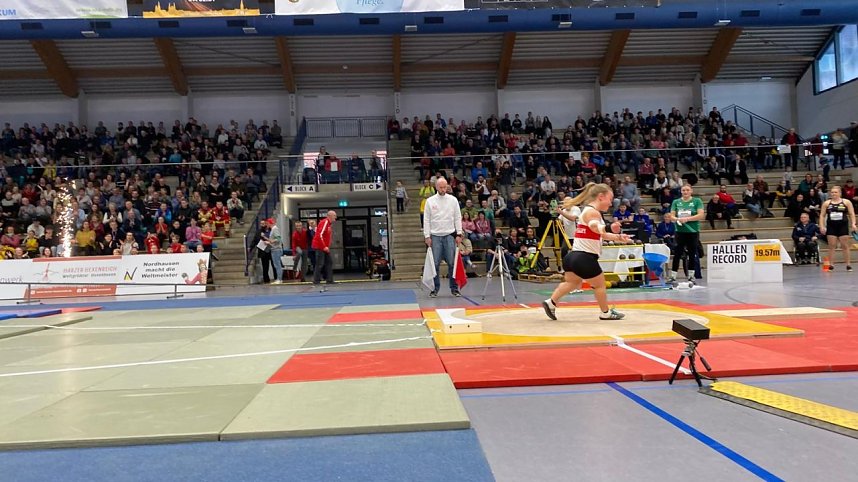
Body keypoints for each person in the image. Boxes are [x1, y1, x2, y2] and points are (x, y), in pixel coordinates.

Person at [542, 183, 631, 321]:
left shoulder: (588, 211)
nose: (611, 202)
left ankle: (551, 302)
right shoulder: (592, 212)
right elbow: (595, 227)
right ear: (601, 197)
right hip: (584, 257)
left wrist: (619, 237)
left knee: (571, 283)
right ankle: (605, 313)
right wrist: (608, 227)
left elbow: (600, 233)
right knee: (600, 285)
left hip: (572, 257)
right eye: (610, 198)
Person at [423, 177, 464, 297]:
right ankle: (434, 289)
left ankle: (454, 288)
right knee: (434, 263)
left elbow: (457, 217)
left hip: (449, 235)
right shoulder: (430, 201)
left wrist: (459, 233)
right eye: (441, 187)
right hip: (435, 236)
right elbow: (426, 220)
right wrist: (427, 236)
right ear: (436, 187)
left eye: (445, 187)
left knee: (452, 263)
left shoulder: (453, 200)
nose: (443, 189)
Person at [668, 185, 705, 281]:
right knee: (677, 253)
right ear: (681, 191)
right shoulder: (676, 202)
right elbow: (671, 216)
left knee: (692, 253)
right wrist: (678, 219)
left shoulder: (697, 201)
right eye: (683, 190)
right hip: (680, 231)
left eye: (687, 190)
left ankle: (691, 275)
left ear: (691, 191)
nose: (685, 192)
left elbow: (700, 215)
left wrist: (688, 219)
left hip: (692, 231)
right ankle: (673, 275)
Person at [819, 186, 857, 271]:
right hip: (831, 226)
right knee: (832, 246)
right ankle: (831, 265)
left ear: (840, 193)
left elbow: (851, 214)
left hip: (843, 226)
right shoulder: (826, 203)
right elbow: (822, 215)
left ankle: (848, 264)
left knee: (845, 246)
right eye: (832, 192)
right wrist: (822, 226)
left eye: (835, 192)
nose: (833, 194)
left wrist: (854, 224)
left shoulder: (846, 202)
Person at [312, 210, 337, 287]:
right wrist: (324, 246)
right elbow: (320, 235)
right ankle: (316, 280)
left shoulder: (329, 224)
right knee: (320, 263)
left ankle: (329, 279)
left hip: (323, 247)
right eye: (334, 216)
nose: (335, 217)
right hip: (320, 247)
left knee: (329, 262)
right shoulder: (325, 222)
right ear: (329, 216)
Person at [264, 217, 284, 284]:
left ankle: (279, 279)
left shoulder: (275, 229)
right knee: (276, 265)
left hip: (276, 250)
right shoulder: (273, 229)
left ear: (270, 223)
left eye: (267, 223)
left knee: (277, 265)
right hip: (274, 249)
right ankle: (279, 278)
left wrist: (270, 242)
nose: (267, 225)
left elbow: (278, 239)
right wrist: (269, 241)